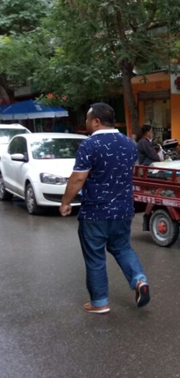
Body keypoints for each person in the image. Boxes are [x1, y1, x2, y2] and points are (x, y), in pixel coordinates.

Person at [60, 103, 150, 314]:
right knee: (122, 248)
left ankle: (99, 302)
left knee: (95, 256)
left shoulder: (89, 145)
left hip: (95, 212)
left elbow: (78, 178)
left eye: (87, 119)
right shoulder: (129, 144)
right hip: (124, 210)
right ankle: (139, 280)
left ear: (96, 121)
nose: (86, 123)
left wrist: (65, 202)